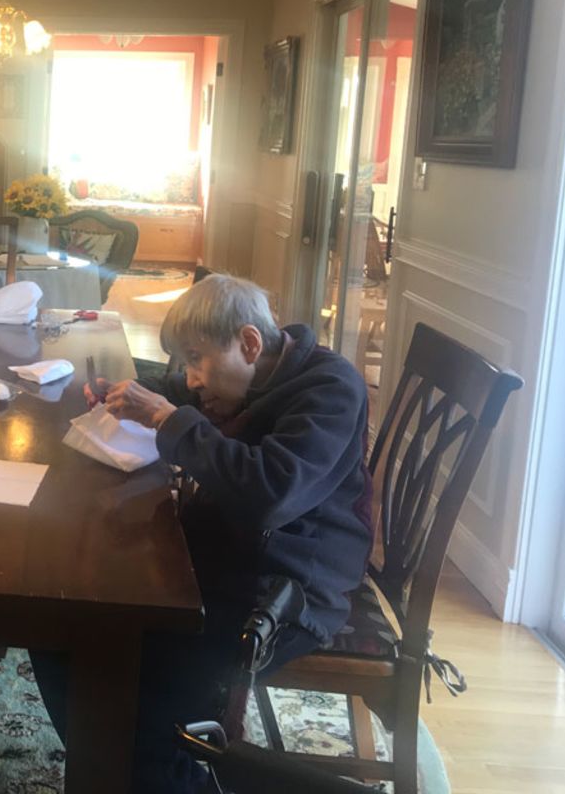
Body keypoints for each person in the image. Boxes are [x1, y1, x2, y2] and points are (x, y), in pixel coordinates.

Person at [33, 273, 373, 793]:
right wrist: (133, 395)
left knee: (137, 703)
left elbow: (270, 495)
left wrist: (170, 422)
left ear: (250, 343)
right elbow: (185, 394)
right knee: (57, 631)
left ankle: (151, 764)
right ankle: (119, 767)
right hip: (224, 559)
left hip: (286, 592)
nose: (191, 379)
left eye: (196, 359)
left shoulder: (331, 390)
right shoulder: (253, 376)